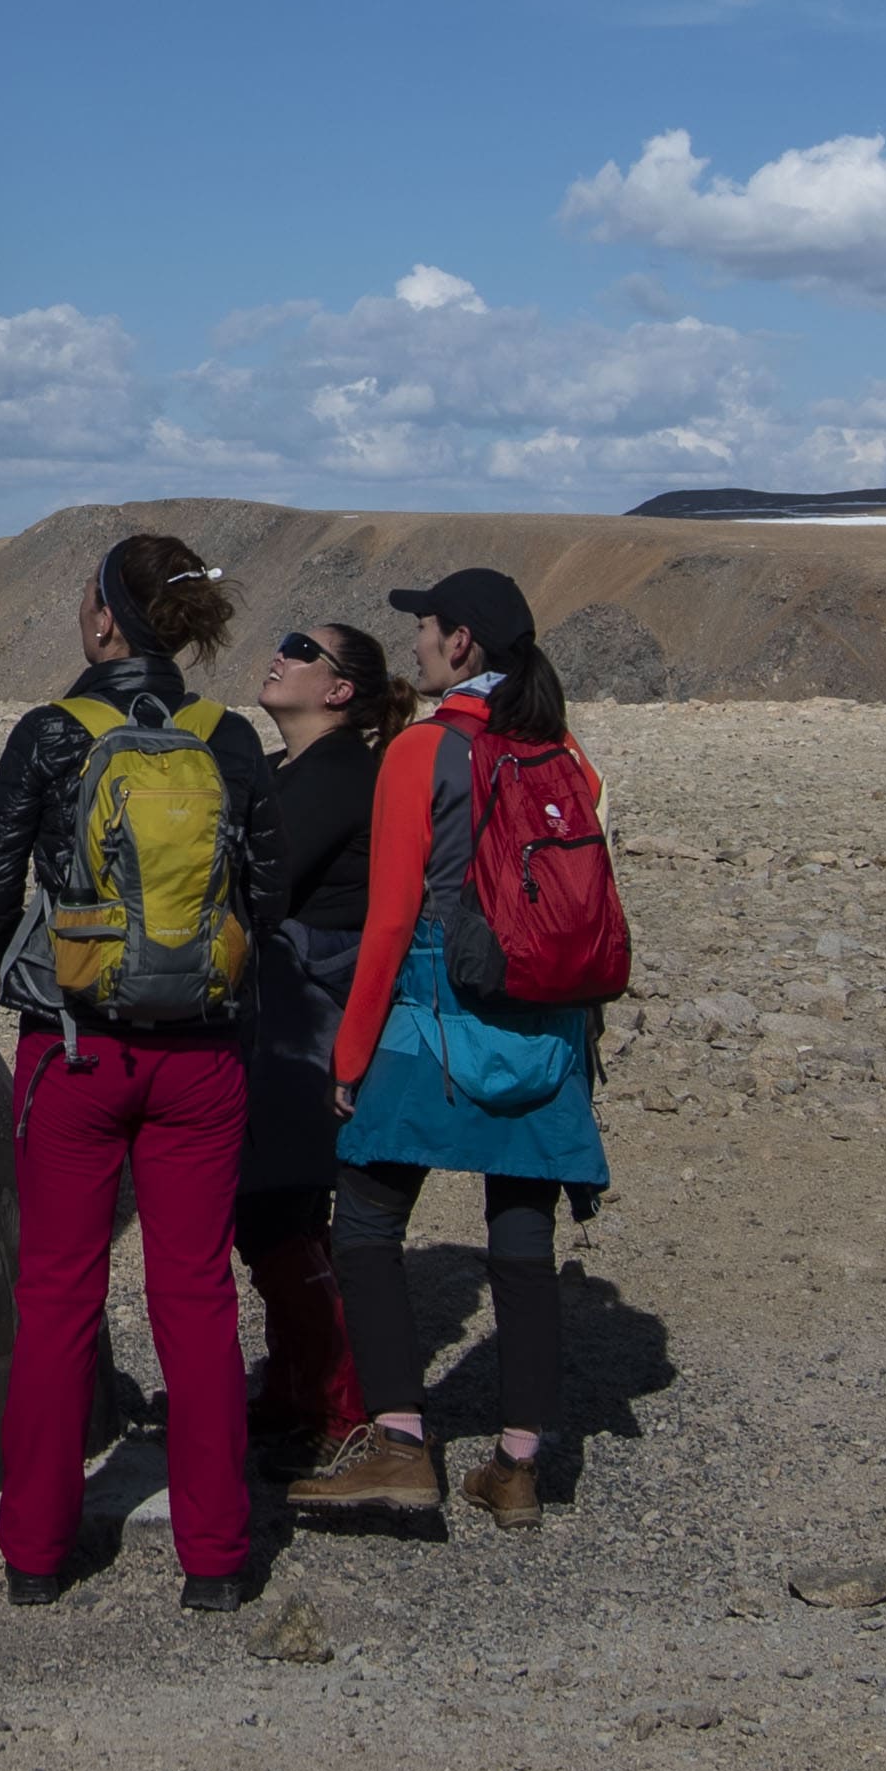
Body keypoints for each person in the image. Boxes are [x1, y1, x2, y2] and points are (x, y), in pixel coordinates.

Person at [0, 530, 276, 1612]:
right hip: (203, 1060)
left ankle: (38, 1549)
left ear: (105, 620)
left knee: (56, 1292)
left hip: (77, 1049)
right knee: (195, 1295)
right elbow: (262, 895)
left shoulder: (53, 731)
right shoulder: (227, 737)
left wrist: (51, 978)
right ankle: (217, 1555)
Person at [289, 567, 615, 1537]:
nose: (419, 645)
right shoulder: (563, 750)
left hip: (429, 1012)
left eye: (427, 629)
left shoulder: (419, 751)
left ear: (463, 643)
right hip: (543, 1021)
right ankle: (517, 1466)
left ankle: (398, 1441)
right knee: (521, 1232)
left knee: (368, 1217)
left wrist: (349, 1059)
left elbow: (389, 918)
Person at [232, 615, 401, 1471]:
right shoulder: (291, 767)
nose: (281, 651)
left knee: (275, 1206)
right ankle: (300, 1390)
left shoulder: (340, 773)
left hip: (305, 1013)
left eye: (302, 649)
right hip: (285, 1006)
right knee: (282, 1206)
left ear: (338, 691)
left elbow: (264, 879)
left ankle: (341, 1412)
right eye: (284, 638)